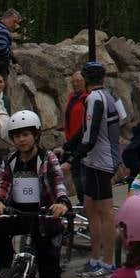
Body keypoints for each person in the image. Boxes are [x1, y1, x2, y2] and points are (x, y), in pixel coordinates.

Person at [0, 110, 70, 278]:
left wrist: (61, 202)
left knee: (48, 271)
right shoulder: (10, 161)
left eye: (25, 135)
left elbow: (57, 183)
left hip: (45, 216)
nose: (21, 140)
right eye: (16, 136)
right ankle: (8, 269)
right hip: (19, 214)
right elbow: (2, 184)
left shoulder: (47, 158)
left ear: (36, 135)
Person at [75, 61, 122, 278]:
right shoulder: (109, 95)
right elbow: (122, 118)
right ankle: (95, 259)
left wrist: (75, 154)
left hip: (99, 161)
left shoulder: (94, 98)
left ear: (86, 79)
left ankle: (108, 262)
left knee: (104, 213)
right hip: (98, 159)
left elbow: (90, 134)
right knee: (90, 209)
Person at [60, 70, 87, 202]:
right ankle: (83, 206)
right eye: (73, 82)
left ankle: (87, 209)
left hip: (82, 144)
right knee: (77, 179)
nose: (75, 84)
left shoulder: (88, 98)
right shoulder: (72, 97)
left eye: (78, 81)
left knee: (83, 180)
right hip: (72, 143)